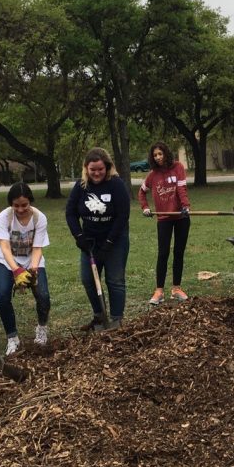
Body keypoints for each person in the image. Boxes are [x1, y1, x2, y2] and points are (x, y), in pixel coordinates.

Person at [65, 147, 130, 331]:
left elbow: (123, 215)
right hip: (90, 243)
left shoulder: (116, 184)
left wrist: (109, 243)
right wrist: (79, 236)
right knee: (88, 279)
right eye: (92, 169)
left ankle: (117, 321)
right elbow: (70, 213)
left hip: (115, 240)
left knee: (115, 280)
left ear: (107, 167)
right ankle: (99, 317)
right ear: (86, 168)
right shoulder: (81, 186)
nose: (96, 173)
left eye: (100, 169)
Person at [0, 182, 51, 355]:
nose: (20, 209)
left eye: (24, 205)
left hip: (32, 259)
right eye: (15, 205)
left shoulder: (39, 218)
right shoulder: (3, 217)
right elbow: (4, 246)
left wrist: (33, 270)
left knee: (43, 295)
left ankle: (41, 328)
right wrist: (16, 270)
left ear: (30, 202)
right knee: (2, 294)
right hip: (6, 260)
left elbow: (38, 247)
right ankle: (12, 337)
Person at [138, 141, 191, 305]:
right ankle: (159, 291)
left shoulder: (178, 167)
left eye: (160, 154)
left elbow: (181, 189)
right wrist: (145, 207)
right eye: (155, 155)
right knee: (163, 253)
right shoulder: (153, 174)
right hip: (164, 219)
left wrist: (185, 206)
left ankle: (176, 289)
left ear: (166, 153)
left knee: (179, 252)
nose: (158, 157)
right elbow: (141, 192)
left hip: (181, 218)